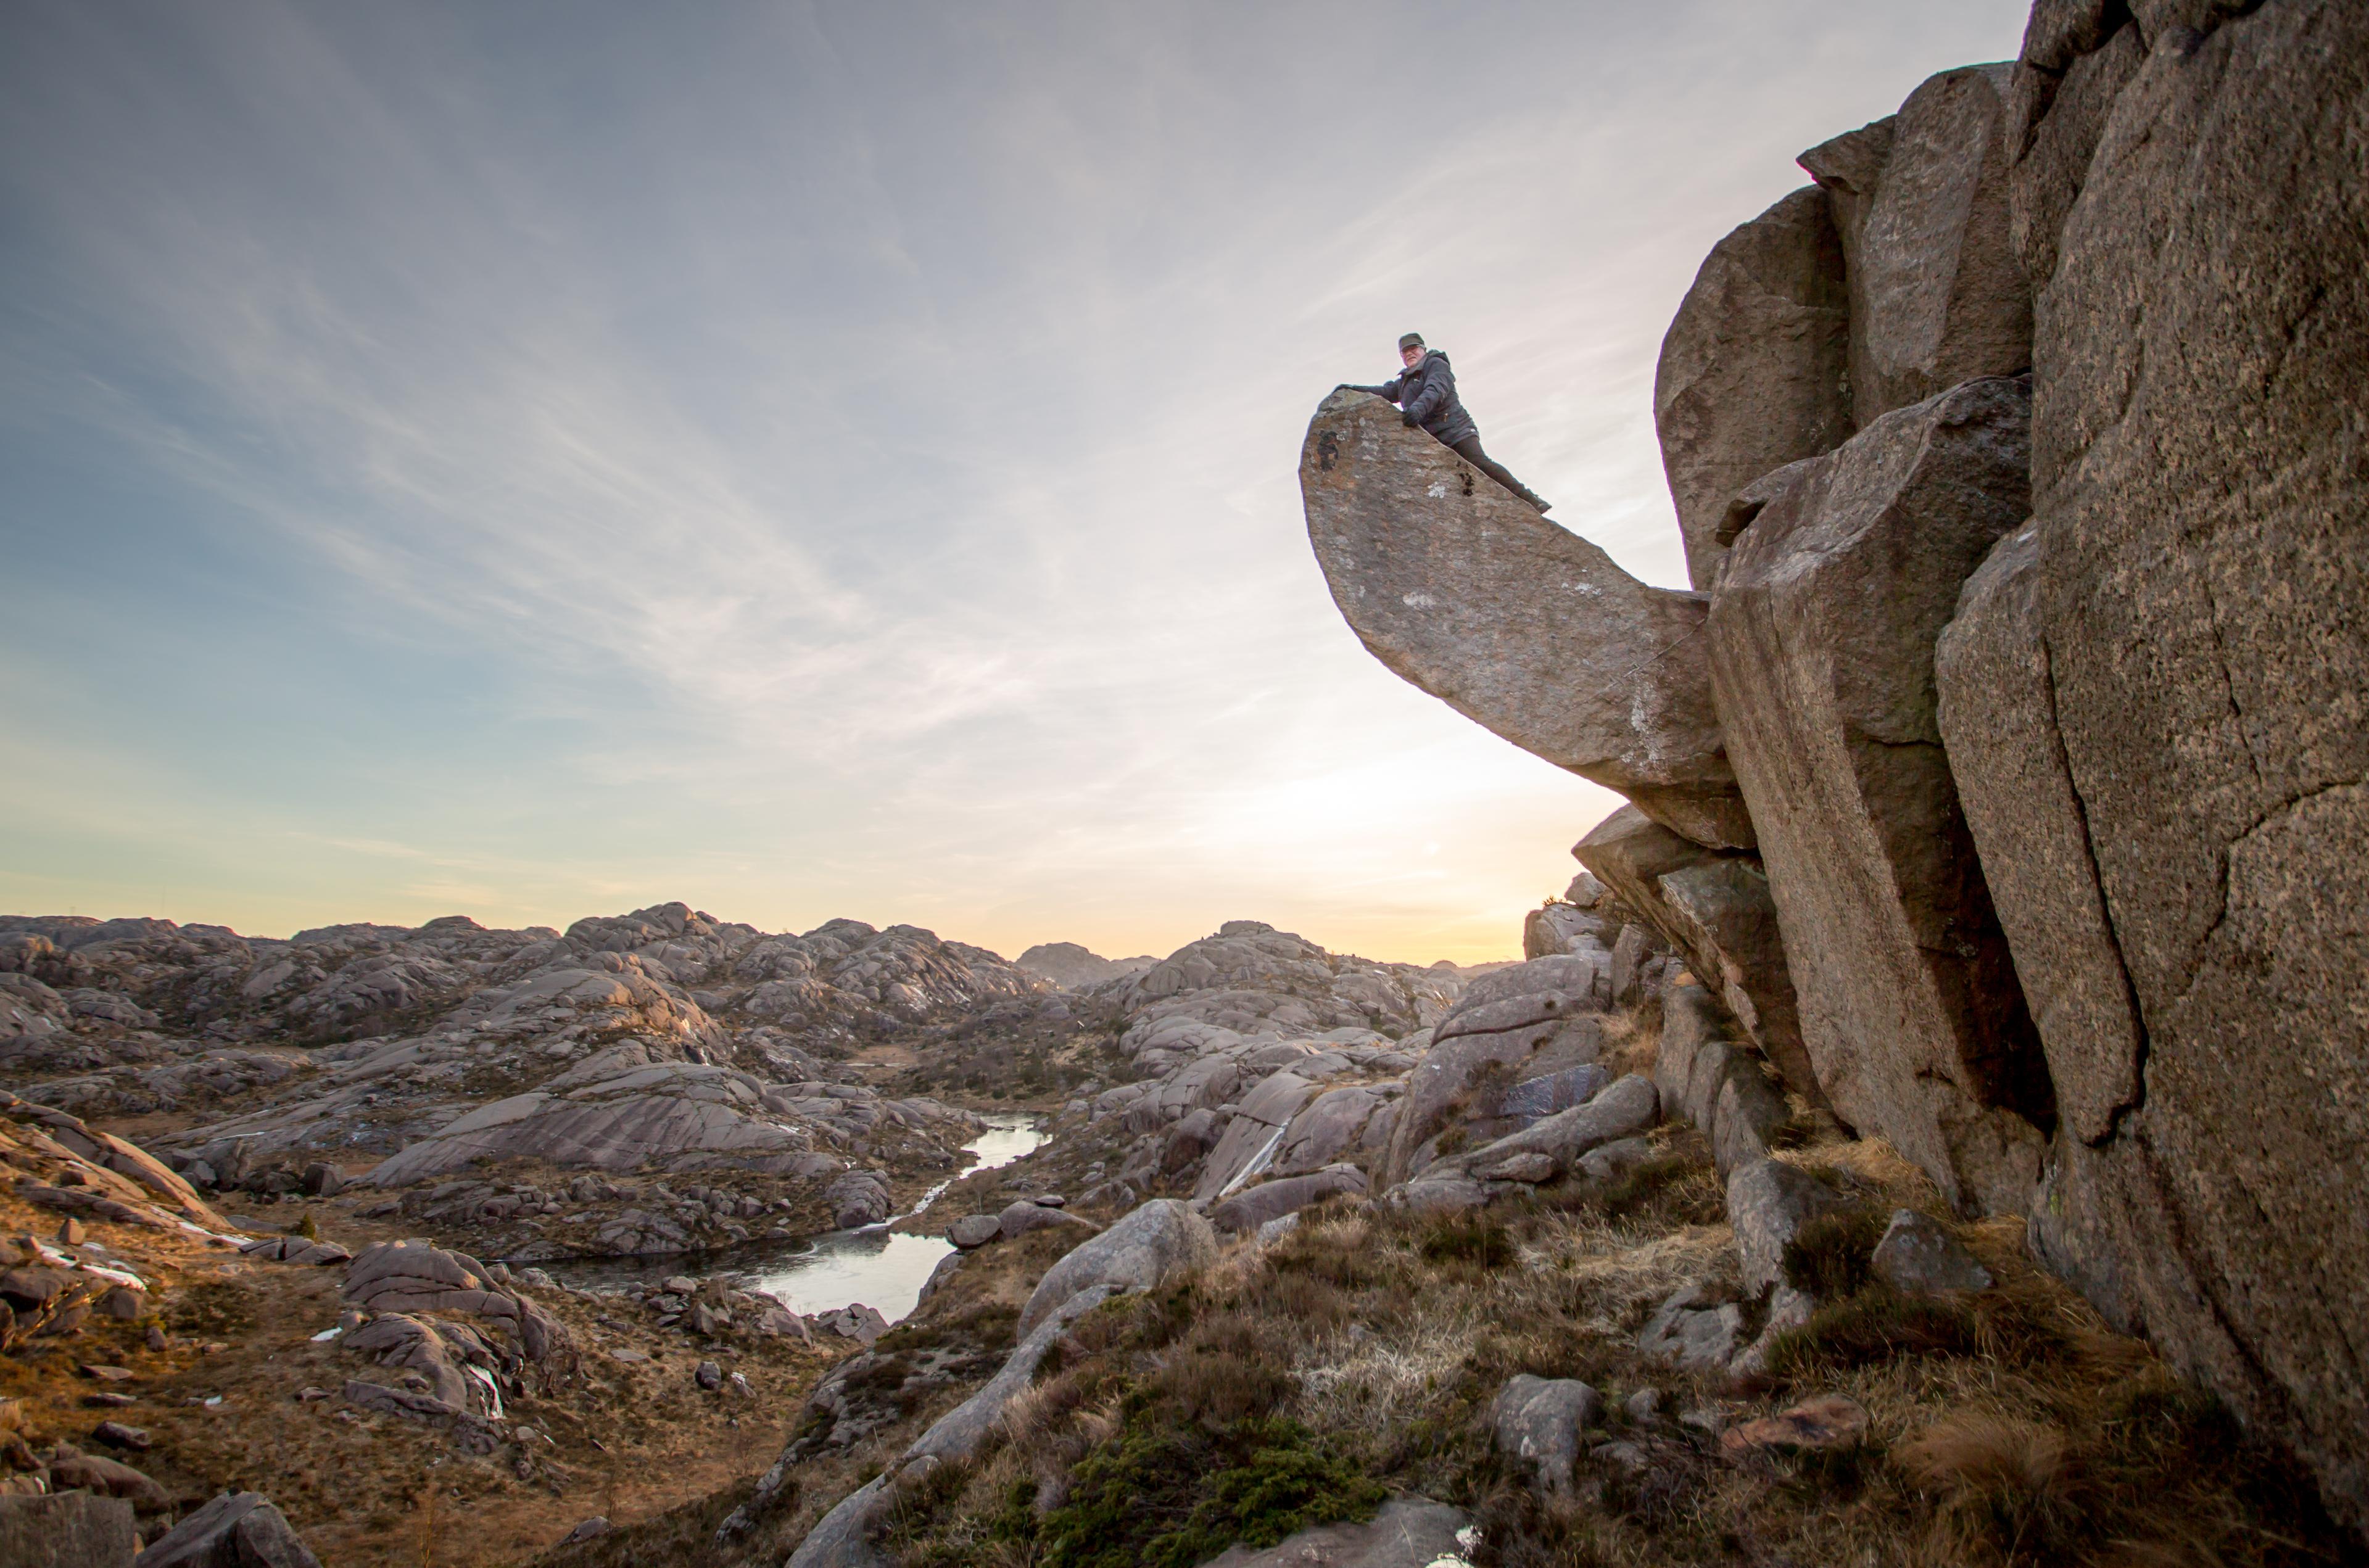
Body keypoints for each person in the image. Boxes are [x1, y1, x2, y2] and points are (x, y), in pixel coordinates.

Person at [1347, 332, 1552, 513]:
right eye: (1405, 352)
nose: (1409, 353)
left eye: (1413, 349)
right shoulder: (1405, 381)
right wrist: (1353, 390)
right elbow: (1385, 393)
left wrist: (1417, 409)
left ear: (1423, 350)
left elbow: (1435, 390)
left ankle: (1530, 500)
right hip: (1433, 439)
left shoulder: (1436, 365)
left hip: (1457, 429)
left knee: (1479, 463)